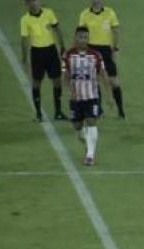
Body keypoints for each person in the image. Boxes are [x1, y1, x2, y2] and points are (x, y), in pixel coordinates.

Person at [63, 27, 108, 167]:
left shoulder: (95, 55)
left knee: (91, 122)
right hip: (76, 98)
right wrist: (68, 91)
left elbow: (103, 74)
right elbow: (66, 74)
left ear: (88, 39)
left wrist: (109, 95)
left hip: (92, 96)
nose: (83, 39)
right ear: (76, 37)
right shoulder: (68, 55)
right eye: (80, 37)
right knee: (77, 126)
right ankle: (86, 139)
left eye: (85, 37)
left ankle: (90, 155)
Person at [76, 0, 124, 118]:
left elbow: (116, 31)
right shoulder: (84, 14)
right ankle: (98, 110)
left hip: (106, 51)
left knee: (114, 82)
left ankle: (120, 110)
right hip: (91, 50)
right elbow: (82, 34)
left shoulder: (110, 13)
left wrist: (115, 49)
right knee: (94, 81)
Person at [20, 0, 66, 122]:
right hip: (37, 52)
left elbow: (57, 29)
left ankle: (58, 112)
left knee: (57, 81)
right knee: (36, 82)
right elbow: (24, 40)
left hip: (51, 50)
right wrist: (24, 59)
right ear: (26, 4)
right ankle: (38, 113)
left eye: (35, 1)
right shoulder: (25, 20)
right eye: (30, 2)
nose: (33, 4)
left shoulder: (49, 13)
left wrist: (62, 46)